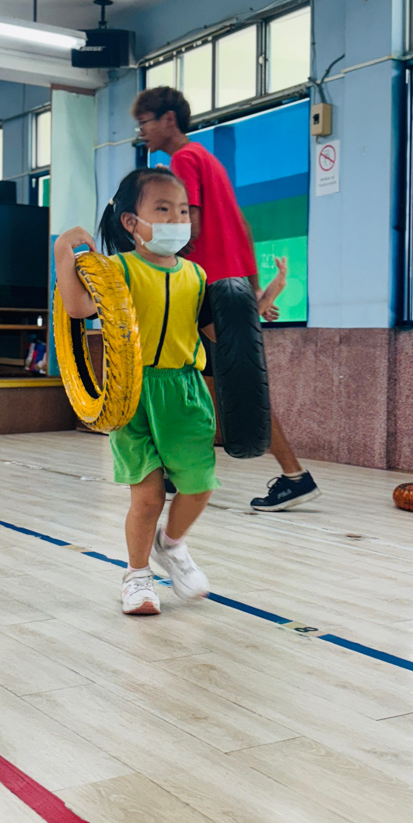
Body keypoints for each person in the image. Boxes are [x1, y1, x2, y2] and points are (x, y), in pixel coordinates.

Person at [131, 85, 321, 512]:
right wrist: (252, 289)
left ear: (168, 120)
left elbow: (191, 226)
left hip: (204, 288)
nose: (141, 132)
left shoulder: (183, 160)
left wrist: (159, 269)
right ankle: (184, 470)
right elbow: (242, 226)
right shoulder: (208, 160)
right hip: (227, 285)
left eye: (144, 123)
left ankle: (295, 476)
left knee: (229, 386)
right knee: (213, 383)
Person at [54, 167, 216, 615]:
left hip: (185, 393)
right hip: (132, 393)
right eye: (162, 209)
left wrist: (256, 306)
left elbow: (215, 330)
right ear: (131, 221)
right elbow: (77, 308)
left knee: (199, 486)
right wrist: (63, 250)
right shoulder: (117, 270)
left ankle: (172, 544)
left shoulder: (196, 275)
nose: (176, 220)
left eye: (182, 211)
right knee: (147, 497)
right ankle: (138, 576)